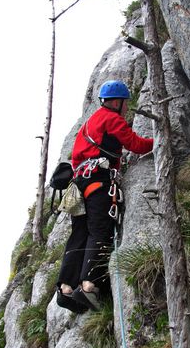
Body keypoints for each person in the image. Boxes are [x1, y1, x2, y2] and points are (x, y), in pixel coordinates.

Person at [56, 79, 154, 313]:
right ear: (119, 102)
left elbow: (78, 157)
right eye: (126, 103)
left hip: (79, 184)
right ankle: (89, 284)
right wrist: (157, 140)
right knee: (99, 230)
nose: (127, 108)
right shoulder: (112, 119)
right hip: (98, 183)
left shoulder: (89, 123)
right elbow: (136, 144)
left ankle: (66, 286)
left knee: (79, 234)